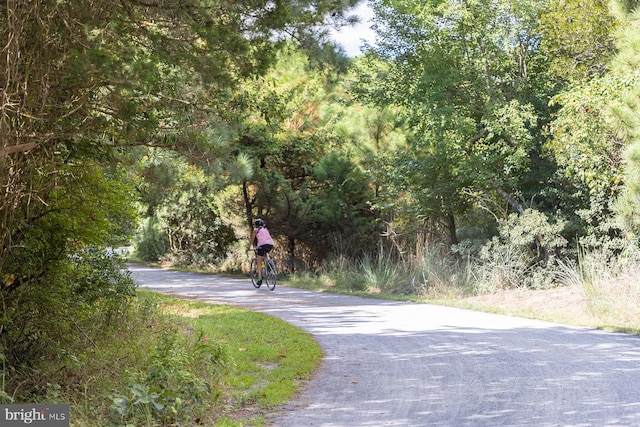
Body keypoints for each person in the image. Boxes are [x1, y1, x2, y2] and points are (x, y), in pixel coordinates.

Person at [246, 218, 274, 286]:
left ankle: (260, 279)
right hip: (270, 244)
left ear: (256, 225)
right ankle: (270, 265)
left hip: (262, 245)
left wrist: (248, 248)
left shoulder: (256, 230)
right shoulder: (265, 229)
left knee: (259, 262)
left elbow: (252, 240)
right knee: (266, 252)